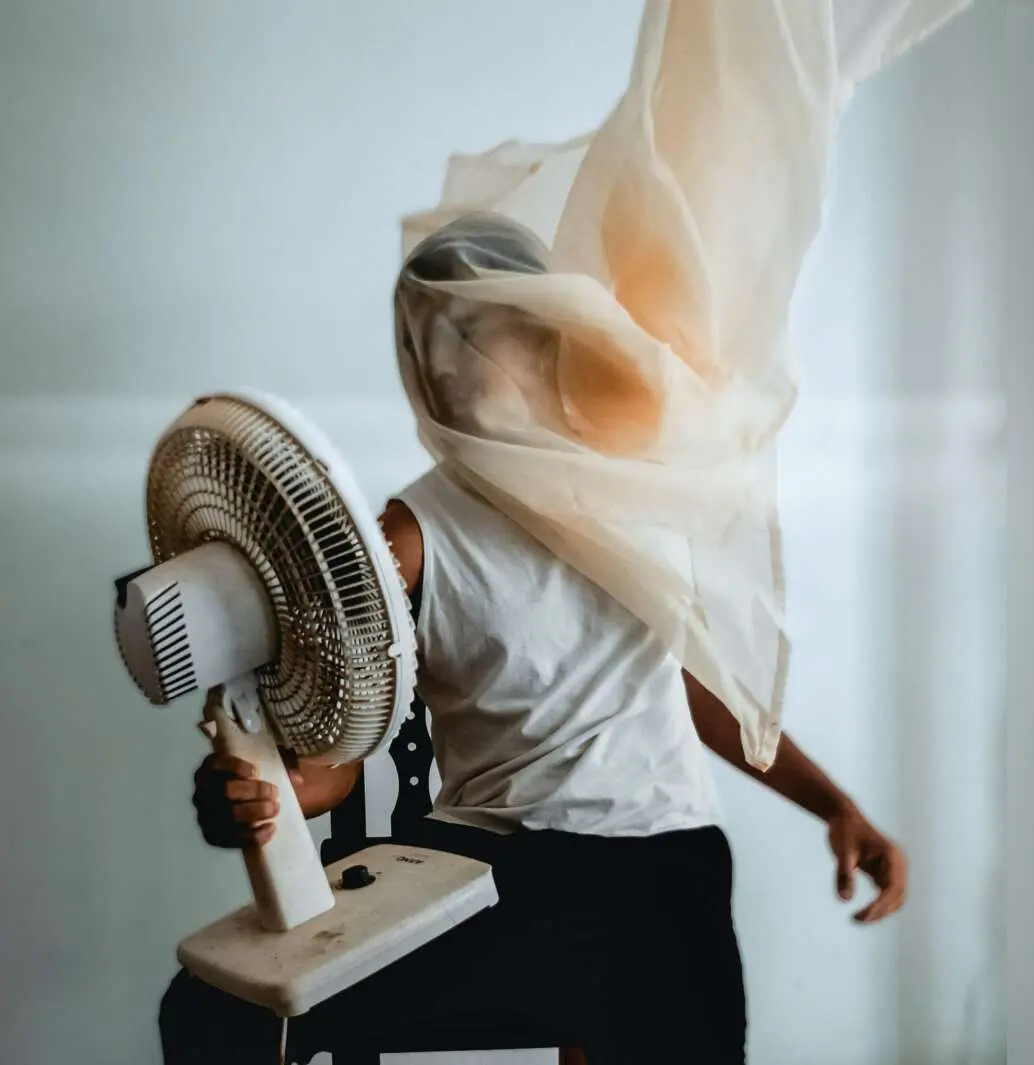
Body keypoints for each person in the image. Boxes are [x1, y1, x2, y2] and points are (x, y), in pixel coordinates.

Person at [158, 217, 908, 1065]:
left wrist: (836, 807)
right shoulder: (406, 537)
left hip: (665, 865)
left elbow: (693, 684)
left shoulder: (636, 481)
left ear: (543, 333)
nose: (445, 361)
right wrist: (266, 793)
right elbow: (333, 758)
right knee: (214, 1015)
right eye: (425, 341)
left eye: (472, 331)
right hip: (496, 865)